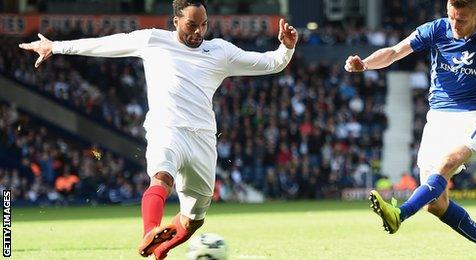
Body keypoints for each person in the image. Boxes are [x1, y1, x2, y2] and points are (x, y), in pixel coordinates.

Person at [19, 0, 298, 259]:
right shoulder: (153, 39)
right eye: (192, 24)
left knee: (193, 220)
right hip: (167, 128)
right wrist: (55, 47)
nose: (199, 31)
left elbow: (272, 63)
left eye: (204, 24)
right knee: (161, 177)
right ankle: (149, 232)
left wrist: (286, 47)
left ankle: (159, 249)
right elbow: (107, 44)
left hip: (202, 138)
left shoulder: (221, 51)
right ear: (175, 21)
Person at [344, 0, 476, 259]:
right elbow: (396, 52)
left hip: (473, 114)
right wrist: (364, 64)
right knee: (435, 204)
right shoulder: (436, 30)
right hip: (438, 117)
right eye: (452, 17)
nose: (455, 24)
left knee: (446, 163)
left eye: (462, 20)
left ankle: (400, 214)